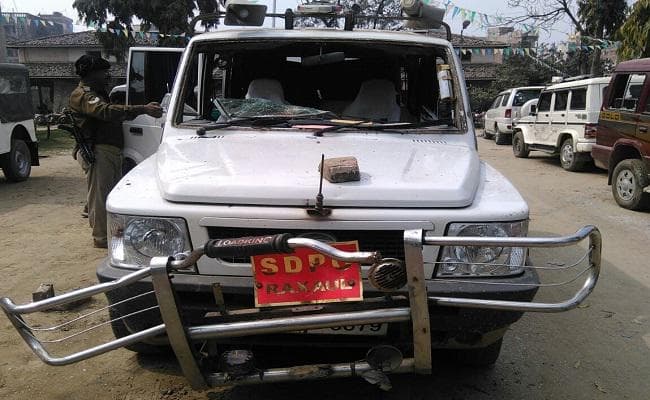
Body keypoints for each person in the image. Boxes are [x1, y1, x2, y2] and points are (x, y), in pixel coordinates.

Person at [69, 55, 163, 248]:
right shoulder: (84, 95)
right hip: (98, 150)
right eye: (103, 72)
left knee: (110, 195)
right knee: (100, 196)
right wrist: (142, 109)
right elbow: (105, 111)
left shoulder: (97, 93)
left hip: (109, 150)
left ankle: (112, 233)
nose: (106, 76)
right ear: (91, 74)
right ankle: (102, 238)